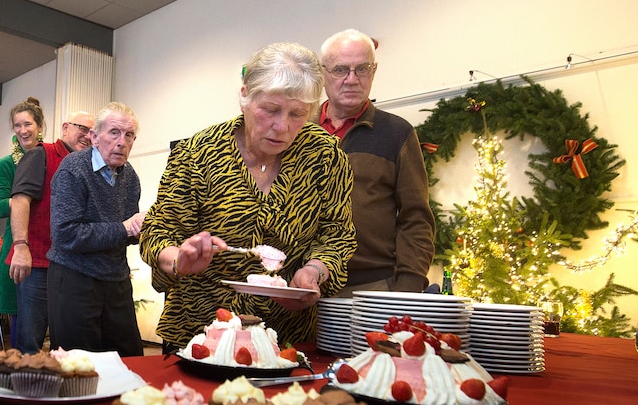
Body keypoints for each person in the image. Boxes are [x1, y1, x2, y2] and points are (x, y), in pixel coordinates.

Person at [139, 42, 357, 352]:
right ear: (245, 95)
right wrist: (179, 260)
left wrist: (314, 272)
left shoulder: (325, 156)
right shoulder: (197, 154)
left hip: (287, 338)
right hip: (201, 335)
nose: (282, 126)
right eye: (270, 109)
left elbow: (337, 235)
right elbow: (158, 232)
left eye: (297, 114)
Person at [317, 29, 435, 294]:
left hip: (371, 287)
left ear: (374, 70)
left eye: (362, 69)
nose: (352, 80)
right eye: (340, 70)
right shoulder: (297, 129)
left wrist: (408, 286)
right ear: (322, 72)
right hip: (301, 284)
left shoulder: (396, 133)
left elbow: (416, 217)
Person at [47, 103, 145, 356]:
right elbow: (65, 234)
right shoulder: (72, 169)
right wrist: (123, 229)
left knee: (129, 360)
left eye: (129, 134)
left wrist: (140, 229)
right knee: (78, 367)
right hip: (74, 280)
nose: (122, 142)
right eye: (114, 132)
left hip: (116, 281)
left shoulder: (130, 176)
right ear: (94, 137)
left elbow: (124, 235)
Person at [7, 109, 95, 353]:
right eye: (82, 128)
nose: (88, 136)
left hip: (73, 267)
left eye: (92, 132)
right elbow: (20, 200)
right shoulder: (41, 154)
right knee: (30, 340)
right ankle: (27, 386)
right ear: (65, 128)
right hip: (38, 263)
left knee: (67, 341)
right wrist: (21, 247)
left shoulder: (90, 164)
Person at [0, 98, 44, 343]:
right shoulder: (5, 164)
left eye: (28, 124)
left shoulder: (50, 158)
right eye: (17, 125)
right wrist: (25, 199)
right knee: (20, 320)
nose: (23, 130)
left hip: (48, 242)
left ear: (40, 126)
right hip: (18, 242)